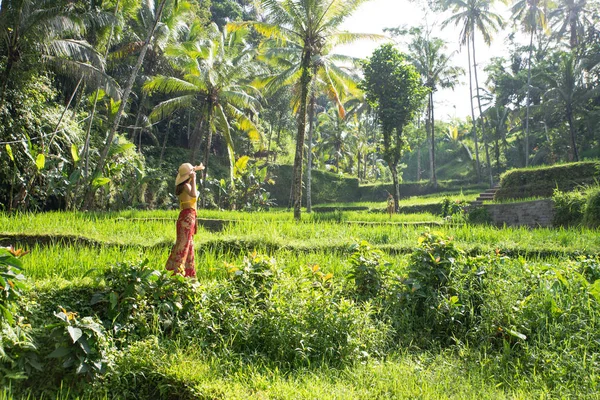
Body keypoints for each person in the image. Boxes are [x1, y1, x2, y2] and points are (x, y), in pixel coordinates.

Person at [165, 162, 204, 277]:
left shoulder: (182, 186)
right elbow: (194, 195)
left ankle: (189, 274)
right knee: (184, 245)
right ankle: (178, 273)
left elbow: (192, 171)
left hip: (185, 216)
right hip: (188, 217)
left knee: (188, 244)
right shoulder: (187, 186)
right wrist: (194, 179)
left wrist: (195, 170)